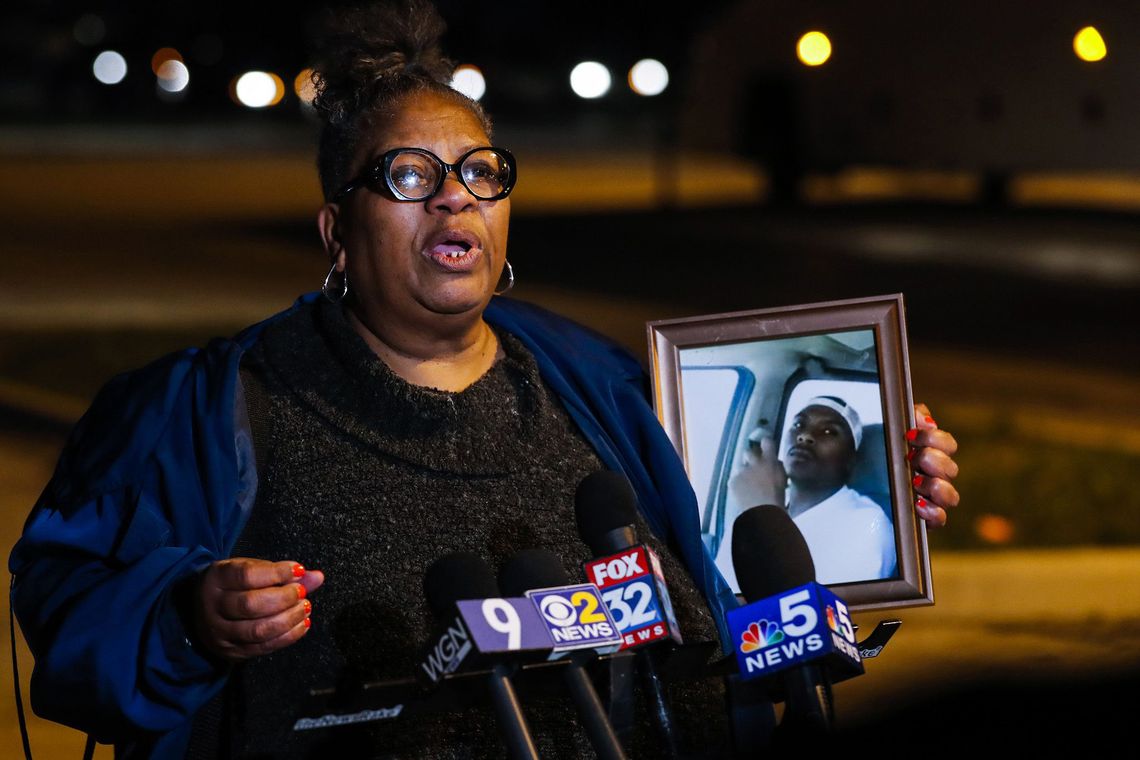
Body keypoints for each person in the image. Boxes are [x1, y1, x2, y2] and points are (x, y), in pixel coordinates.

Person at [7, 1, 961, 758]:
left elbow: (730, 594)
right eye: (411, 176)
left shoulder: (605, 386)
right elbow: (68, 612)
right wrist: (186, 620)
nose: (456, 194)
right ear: (336, 232)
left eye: (479, 171)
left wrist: (881, 496)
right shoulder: (201, 410)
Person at [720, 395, 901, 587]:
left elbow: (812, 612)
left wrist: (766, 514)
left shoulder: (869, 523)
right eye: (798, 425)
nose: (804, 436)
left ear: (851, 460)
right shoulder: (755, 506)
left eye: (829, 431)